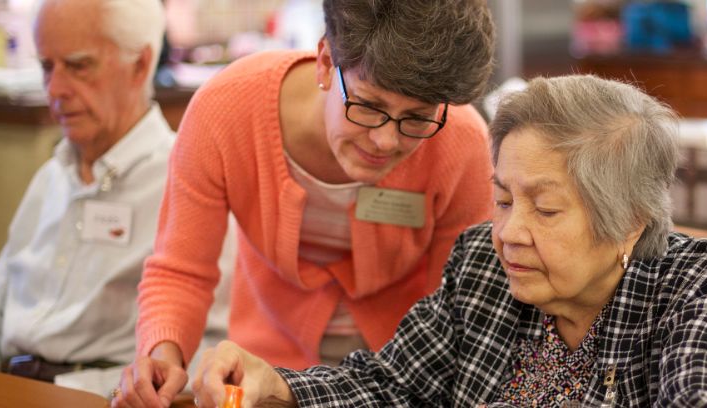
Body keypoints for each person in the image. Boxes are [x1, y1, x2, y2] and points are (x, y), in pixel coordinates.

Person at [189, 75, 707, 408]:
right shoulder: (480, 263)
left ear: (629, 220)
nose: (508, 233)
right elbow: (393, 385)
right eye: (502, 199)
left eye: (545, 208)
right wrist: (277, 386)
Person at [112, 0, 497, 406]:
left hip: (397, 383)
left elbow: (460, 311)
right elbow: (181, 271)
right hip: (263, 372)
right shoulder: (227, 109)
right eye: (368, 106)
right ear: (326, 63)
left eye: (416, 118)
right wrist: (162, 360)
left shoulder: (461, 143)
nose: (387, 141)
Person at [0, 0, 233, 390]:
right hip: (3, 385)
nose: (54, 89)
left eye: (78, 66)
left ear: (140, 65)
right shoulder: (53, 175)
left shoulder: (188, 182)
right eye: (46, 66)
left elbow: (210, 352)